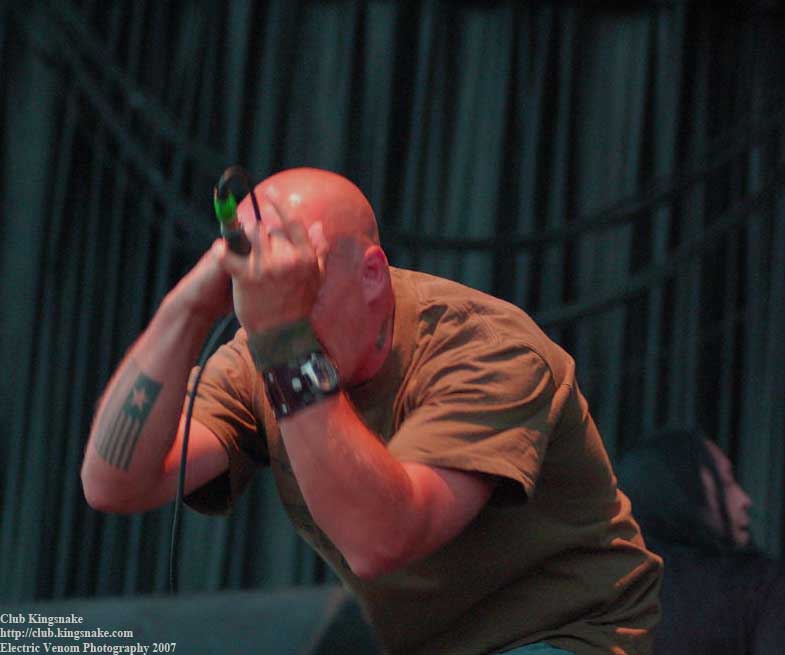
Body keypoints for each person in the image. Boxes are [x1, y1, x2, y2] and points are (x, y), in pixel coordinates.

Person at [81, 167, 662, 655]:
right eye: (271, 282)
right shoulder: (264, 349)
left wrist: (283, 337)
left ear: (371, 274)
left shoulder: (487, 349)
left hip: (561, 632)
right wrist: (188, 305)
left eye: (302, 279)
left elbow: (378, 541)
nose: (282, 301)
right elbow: (115, 484)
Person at [616, 428, 785, 655]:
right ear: (681, 491)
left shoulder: (605, 589)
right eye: (726, 482)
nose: (744, 500)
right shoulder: (758, 586)